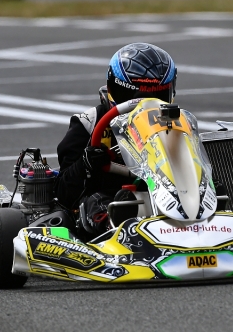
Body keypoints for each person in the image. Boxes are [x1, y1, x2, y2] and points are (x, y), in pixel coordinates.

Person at [54, 43, 177, 239]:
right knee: (99, 202)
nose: (142, 103)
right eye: (134, 95)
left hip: (163, 196)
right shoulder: (89, 122)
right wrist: (85, 165)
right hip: (108, 200)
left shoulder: (173, 123)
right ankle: (119, 233)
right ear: (114, 88)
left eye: (155, 95)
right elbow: (63, 194)